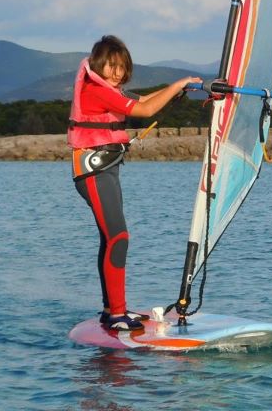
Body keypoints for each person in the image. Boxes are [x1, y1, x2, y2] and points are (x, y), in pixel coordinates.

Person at [68, 35, 201, 332]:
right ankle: (116, 314)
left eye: (122, 67)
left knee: (110, 237)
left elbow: (141, 100)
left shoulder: (106, 90)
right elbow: (144, 111)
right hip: (94, 172)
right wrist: (176, 85)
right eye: (111, 66)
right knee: (118, 237)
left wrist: (175, 91)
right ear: (97, 65)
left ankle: (111, 309)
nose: (117, 73)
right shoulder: (94, 90)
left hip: (106, 171)